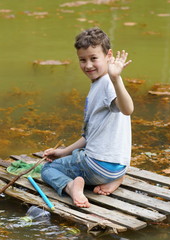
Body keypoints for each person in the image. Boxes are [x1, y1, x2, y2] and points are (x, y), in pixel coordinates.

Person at [41, 27, 133, 208]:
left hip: (97, 166)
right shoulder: (99, 83)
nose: (88, 65)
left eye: (94, 58)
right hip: (118, 166)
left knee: (49, 169)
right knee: (75, 155)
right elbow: (90, 135)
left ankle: (71, 187)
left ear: (108, 56)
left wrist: (116, 78)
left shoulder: (108, 83)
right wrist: (63, 151)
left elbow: (128, 109)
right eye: (82, 60)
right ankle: (117, 179)